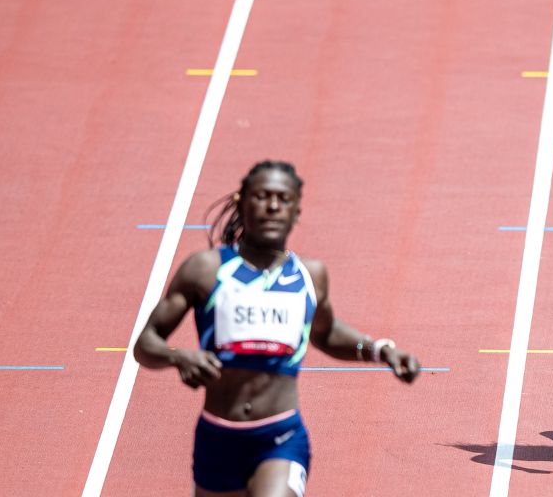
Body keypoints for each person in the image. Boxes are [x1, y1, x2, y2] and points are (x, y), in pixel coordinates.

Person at [134, 160, 420, 496]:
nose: (272, 206)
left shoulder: (309, 276)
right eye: (262, 196)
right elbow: (145, 344)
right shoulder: (205, 270)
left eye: (283, 199)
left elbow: (326, 334)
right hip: (217, 438)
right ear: (242, 204)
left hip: (280, 437)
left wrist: (381, 350)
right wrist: (177, 356)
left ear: (297, 211)